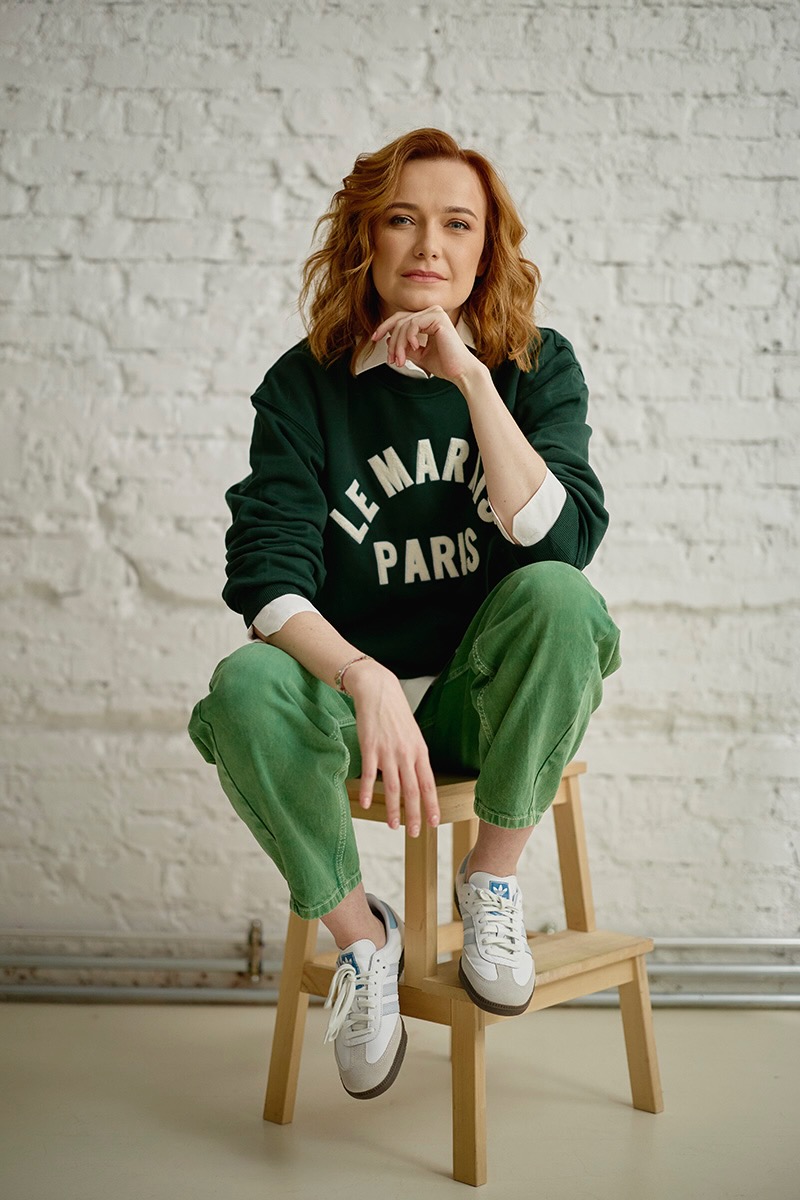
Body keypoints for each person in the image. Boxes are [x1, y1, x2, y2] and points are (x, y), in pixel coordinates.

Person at [188, 127, 621, 1101]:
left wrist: (469, 377)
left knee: (560, 599)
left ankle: (491, 878)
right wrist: (364, 677)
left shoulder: (534, 366)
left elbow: (557, 540)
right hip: (354, 710)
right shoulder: (304, 386)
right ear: (364, 239)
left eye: (457, 224)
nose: (429, 244)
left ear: (486, 248)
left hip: (481, 700)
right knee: (244, 684)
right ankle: (361, 939)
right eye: (401, 219)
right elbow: (266, 579)